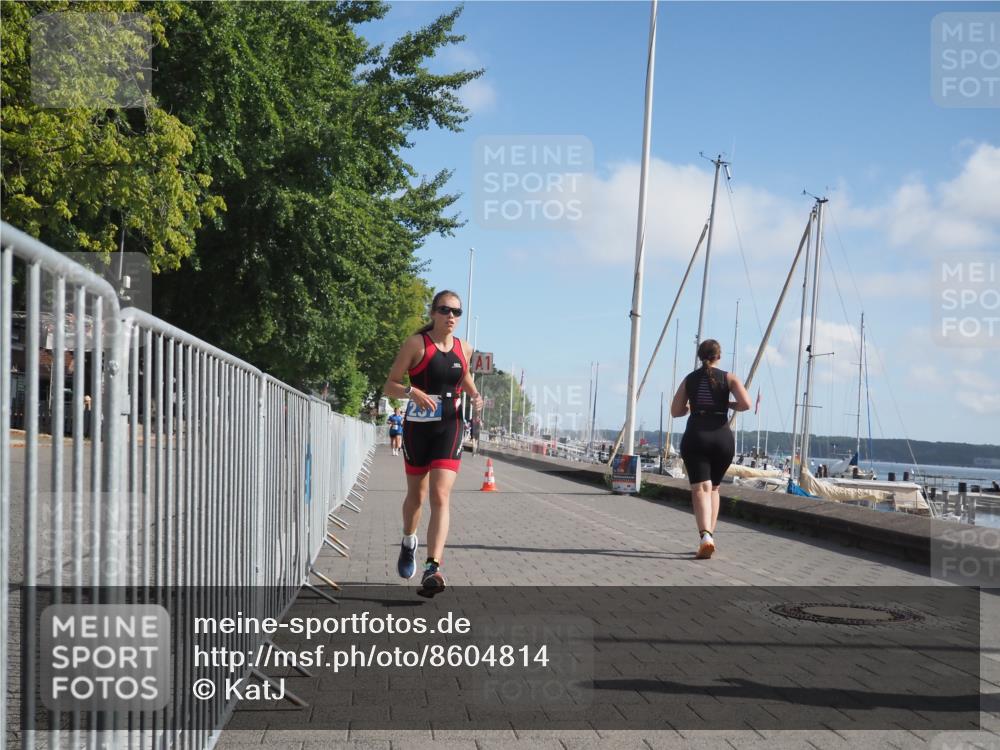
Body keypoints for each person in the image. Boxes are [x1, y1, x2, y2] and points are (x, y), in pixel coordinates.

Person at [383, 290, 483, 596]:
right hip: (418, 428)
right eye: (445, 310)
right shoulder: (416, 344)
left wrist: (476, 397)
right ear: (433, 313)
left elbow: (464, 379)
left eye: (456, 312)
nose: (451, 316)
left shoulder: (464, 348)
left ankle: (432, 567)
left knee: (441, 494)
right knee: (417, 496)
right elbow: (390, 384)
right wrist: (412, 392)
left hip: (450, 426)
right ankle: (408, 540)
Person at [670, 339, 752, 559]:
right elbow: (746, 404)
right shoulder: (729, 377)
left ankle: (705, 536)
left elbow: (675, 411)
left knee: (700, 489)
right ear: (719, 356)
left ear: (699, 356)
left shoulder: (690, 379)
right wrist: (728, 404)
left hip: (697, 434)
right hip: (722, 437)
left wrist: (689, 408)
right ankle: (710, 536)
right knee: (714, 488)